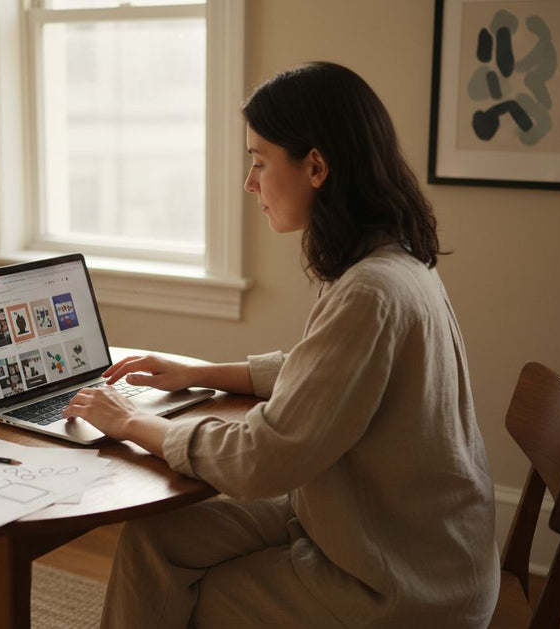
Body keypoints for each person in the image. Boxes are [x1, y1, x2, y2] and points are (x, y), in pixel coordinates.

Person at [64, 61, 498, 628]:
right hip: (373, 527)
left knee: (198, 598)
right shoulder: (391, 259)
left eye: (259, 161)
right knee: (156, 542)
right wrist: (200, 373)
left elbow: (259, 461)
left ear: (315, 166)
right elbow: (327, 374)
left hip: (402, 583)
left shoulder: (371, 289)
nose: (250, 183)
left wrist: (130, 423)